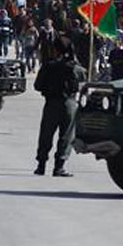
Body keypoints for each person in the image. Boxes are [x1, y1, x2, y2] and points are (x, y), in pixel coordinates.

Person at [33, 37, 86, 177]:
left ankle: (41, 165)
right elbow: (84, 85)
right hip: (69, 104)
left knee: (46, 134)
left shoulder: (48, 66)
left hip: (52, 103)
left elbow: (37, 86)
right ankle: (59, 166)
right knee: (66, 136)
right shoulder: (76, 68)